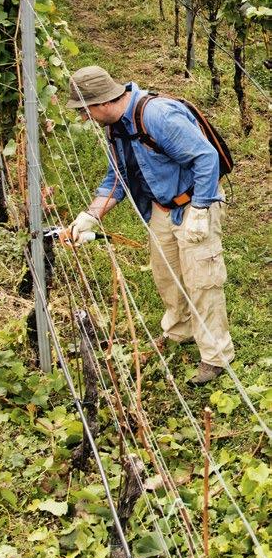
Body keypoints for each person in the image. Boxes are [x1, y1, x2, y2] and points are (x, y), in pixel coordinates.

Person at [66, 65, 235, 385]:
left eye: (85, 111)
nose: (84, 118)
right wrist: (90, 215)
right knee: (166, 274)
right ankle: (179, 330)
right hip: (162, 208)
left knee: (203, 280)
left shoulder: (158, 115)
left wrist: (200, 209)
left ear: (101, 103)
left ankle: (215, 356)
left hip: (195, 202)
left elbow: (206, 158)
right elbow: (118, 176)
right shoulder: (115, 127)